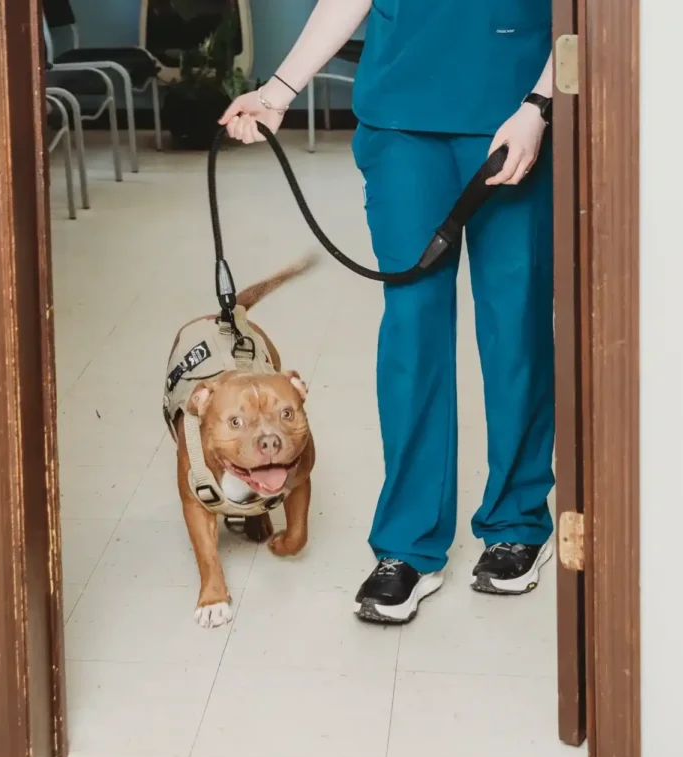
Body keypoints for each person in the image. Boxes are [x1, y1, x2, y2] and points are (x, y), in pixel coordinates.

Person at [220, 0, 556, 624]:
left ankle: (518, 522)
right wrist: (278, 90)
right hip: (403, 122)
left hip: (515, 108)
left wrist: (540, 104)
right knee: (412, 330)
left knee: (515, 328)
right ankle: (409, 544)